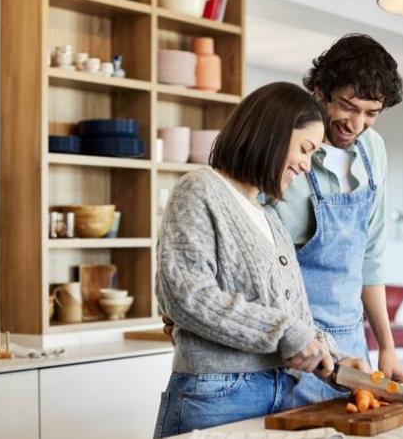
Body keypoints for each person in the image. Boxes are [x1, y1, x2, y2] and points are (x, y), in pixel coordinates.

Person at [153, 82, 369, 438]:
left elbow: (293, 316)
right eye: (304, 149)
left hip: (279, 392)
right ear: (273, 134)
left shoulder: (270, 218)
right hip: (216, 394)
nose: (305, 165)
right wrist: (286, 333)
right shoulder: (199, 190)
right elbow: (186, 295)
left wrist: (336, 359)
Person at [275, 33, 403, 405]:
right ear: (319, 90)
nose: (357, 124)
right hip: (294, 347)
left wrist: (386, 345)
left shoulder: (373, 149)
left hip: (351, 347)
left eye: (371, 113)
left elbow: (371, 255)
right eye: (348, 107)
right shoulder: (287, 147)